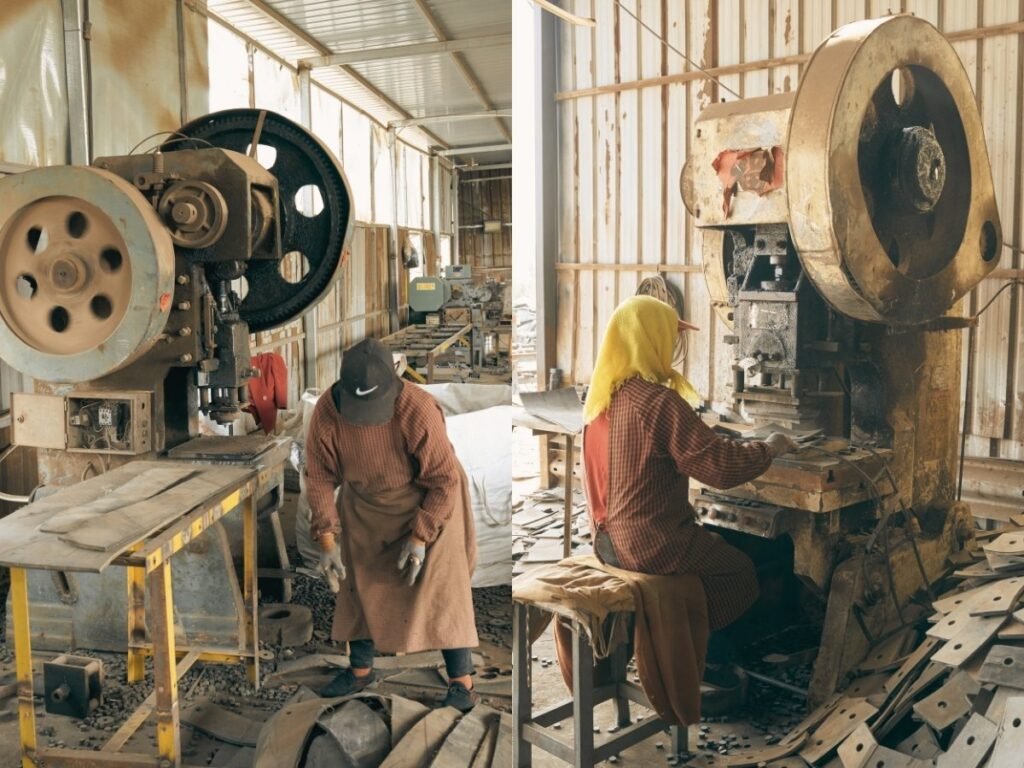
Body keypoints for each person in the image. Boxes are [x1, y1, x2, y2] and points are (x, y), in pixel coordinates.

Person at [581, 295, 798, 675]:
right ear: (650, 340)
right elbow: (719, 469)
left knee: (709, 549)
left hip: (605, 543)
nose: (673, 349)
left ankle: (687, 642)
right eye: (670, 339)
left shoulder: (600, 398)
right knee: (738, 571)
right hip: (648, 547)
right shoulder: (658, 402)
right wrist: (771, 447)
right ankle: (706, 661)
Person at [303, 337, 480, 711]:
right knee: (359, 585)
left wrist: (420, 536)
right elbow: (318, 476)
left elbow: (444, 480)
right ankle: (361, 671)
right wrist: (327, 542)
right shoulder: (326, 411)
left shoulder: (417, 406)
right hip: (366, 503)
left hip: (428, 497)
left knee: (443, 589)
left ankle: (461, 683)